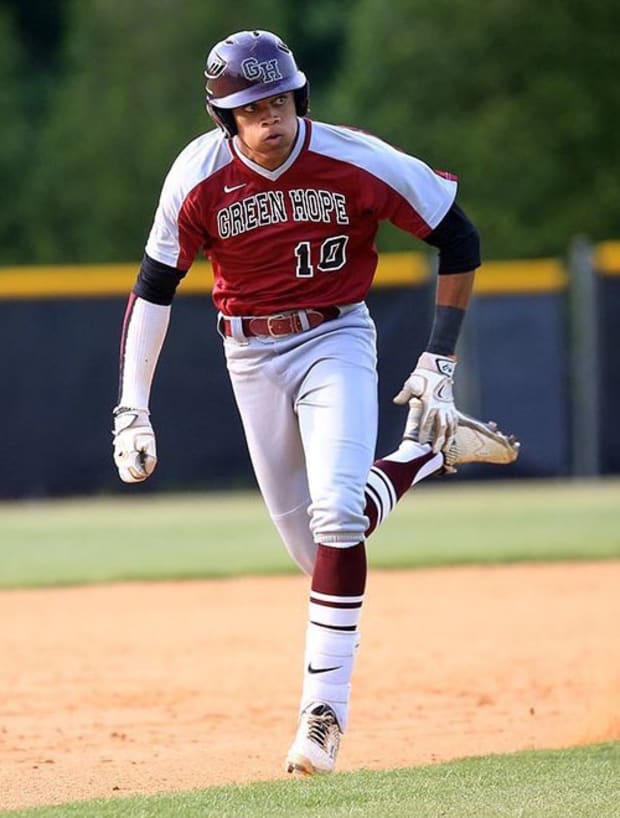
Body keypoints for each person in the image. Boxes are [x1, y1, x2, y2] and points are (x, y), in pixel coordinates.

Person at [112, 29, 519, 777]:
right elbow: (155, 289)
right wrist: (132, 406)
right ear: (224, 117)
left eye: (280, 98)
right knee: (321, 551)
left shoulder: (356, 157)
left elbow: (460, 237)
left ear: (299, 96)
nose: (270, 115)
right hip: (249, 355)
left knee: (337, 519)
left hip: (335, 339)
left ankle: (321, 716)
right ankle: (427, 449)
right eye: (251, 105)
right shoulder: (197, 176)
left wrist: (438, 357)